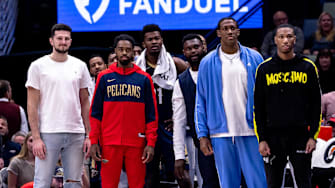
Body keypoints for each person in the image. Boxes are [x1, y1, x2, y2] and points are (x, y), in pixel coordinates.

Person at [195, 17, 267, 188]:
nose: (229, 31)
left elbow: (266, 97)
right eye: (225, 28)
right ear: (219, 33)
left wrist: (266, 129)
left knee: (259, 182)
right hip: (220, 133)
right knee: (228, 184)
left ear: (238, 31)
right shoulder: (206, 62)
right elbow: (201, 101)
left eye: (233, 28)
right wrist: (202, 135)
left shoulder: (255, 57)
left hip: (251, 131)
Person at [254, 24, 321, 187]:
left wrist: (313, 136)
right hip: (273, 137)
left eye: (289, 36)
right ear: (275, 40)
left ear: (295, 40)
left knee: (304, 182)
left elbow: (316, 105)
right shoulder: (264, 69)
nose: (286, 40)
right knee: (274, 183)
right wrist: (261, 139)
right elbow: (258, 107)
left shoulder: (308, 67)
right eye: (282, 37)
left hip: (300, 136)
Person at [25, 23, 91, 188]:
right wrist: (37, 137)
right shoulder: (38, 66)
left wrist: (89, 134)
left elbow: (85, 102)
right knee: (41, 183)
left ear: (70, 41)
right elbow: (31, 105)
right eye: (59, 38)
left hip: (76, 132)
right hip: (48, 133)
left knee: (74, 183)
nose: (63, 42)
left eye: (66, 39)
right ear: (51, 41)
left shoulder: (80, 66)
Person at [89, 34, 158, 188]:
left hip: (137, 142)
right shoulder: (104, 77)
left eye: (128, 50)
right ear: (115, 52)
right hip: (109, 142)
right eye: (121, 50)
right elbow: (95, 113)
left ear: (134, 52)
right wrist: (94, 141)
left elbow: (152, 115)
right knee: (108, 184)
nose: (125, 53)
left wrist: (151, 142)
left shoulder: (144, 79)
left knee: (137, 184)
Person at [172, 33, 220, 188]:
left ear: (204, 47)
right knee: (209, 183)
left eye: (196, 47)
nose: (193, 51)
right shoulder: (182, 81)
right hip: (202, 144)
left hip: (226, 139)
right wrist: (179, 155)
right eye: (189, 48)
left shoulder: (219, 71)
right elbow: (178, 121)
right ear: (183, 52)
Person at [135, 24, 178, 187]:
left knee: (177, 169)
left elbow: (189, 89)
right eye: (150, 39)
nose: (154, 42)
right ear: (144, 43)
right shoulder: (136, 67)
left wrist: (177, 116)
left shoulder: (175, 63)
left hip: (168, 124)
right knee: (149, 172)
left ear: (162, 40)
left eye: (157, 38)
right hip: (146, 126)